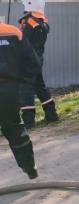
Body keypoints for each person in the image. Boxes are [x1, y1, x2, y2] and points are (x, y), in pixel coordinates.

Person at [0, 16, 41, 179]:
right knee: (15, 128)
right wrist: (22, 82)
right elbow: (33, 62)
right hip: (9, 89)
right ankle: (30, 168)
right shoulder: (14, 31)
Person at [18, 0, 59, 128]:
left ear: (29, 6)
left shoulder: (29, 23)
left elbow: (22, 42)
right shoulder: (42, 23)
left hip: (27, 61)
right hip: (37, 60)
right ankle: (51, 114)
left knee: (25, 89)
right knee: (39, 87)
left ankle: (29, 121)